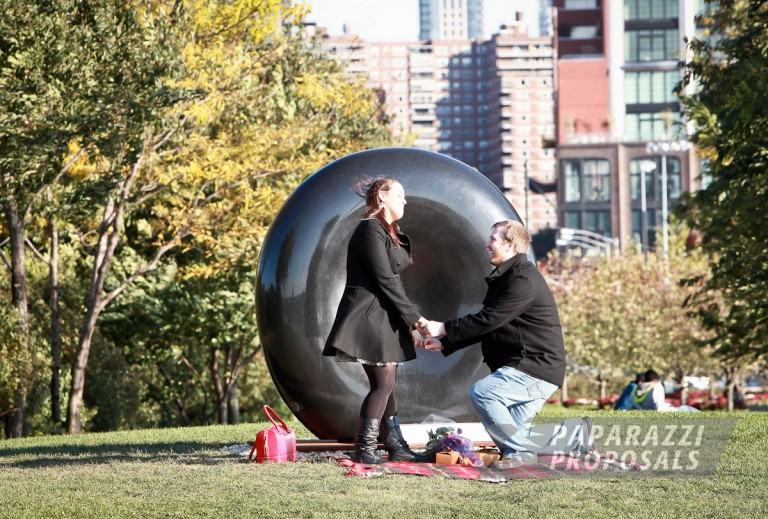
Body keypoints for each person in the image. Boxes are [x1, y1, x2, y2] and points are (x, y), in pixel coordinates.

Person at [418, 220, 592, 464]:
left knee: (484, 393)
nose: (487, 244)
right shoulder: (509, 277)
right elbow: (492, 324)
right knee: (517, 433)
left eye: (494, 240)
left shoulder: (522, 280)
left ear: (510, 245)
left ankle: (519, 455)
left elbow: (489, 320)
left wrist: (443, 327)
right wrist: (446, 343)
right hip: (538, 367)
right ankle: (575, 436)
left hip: (534, 367)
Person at [323, 176, 428, 464]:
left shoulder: (386, 231)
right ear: (381, 197)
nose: (405, 200)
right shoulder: (369, 230)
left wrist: (409, 323)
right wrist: (417, 320)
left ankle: (395, 445)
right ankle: (365, 449)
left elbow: (392, 280)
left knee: (388, 383)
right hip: (368, 318)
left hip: (382, 317)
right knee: (383, 384)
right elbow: (385, 279)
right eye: (400, 194)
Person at [629, 369, 699, 412]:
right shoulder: (656, 386)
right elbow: (660, 409)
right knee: (688, 409)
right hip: (669, 411)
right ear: (655, 380)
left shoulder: (635, 389)